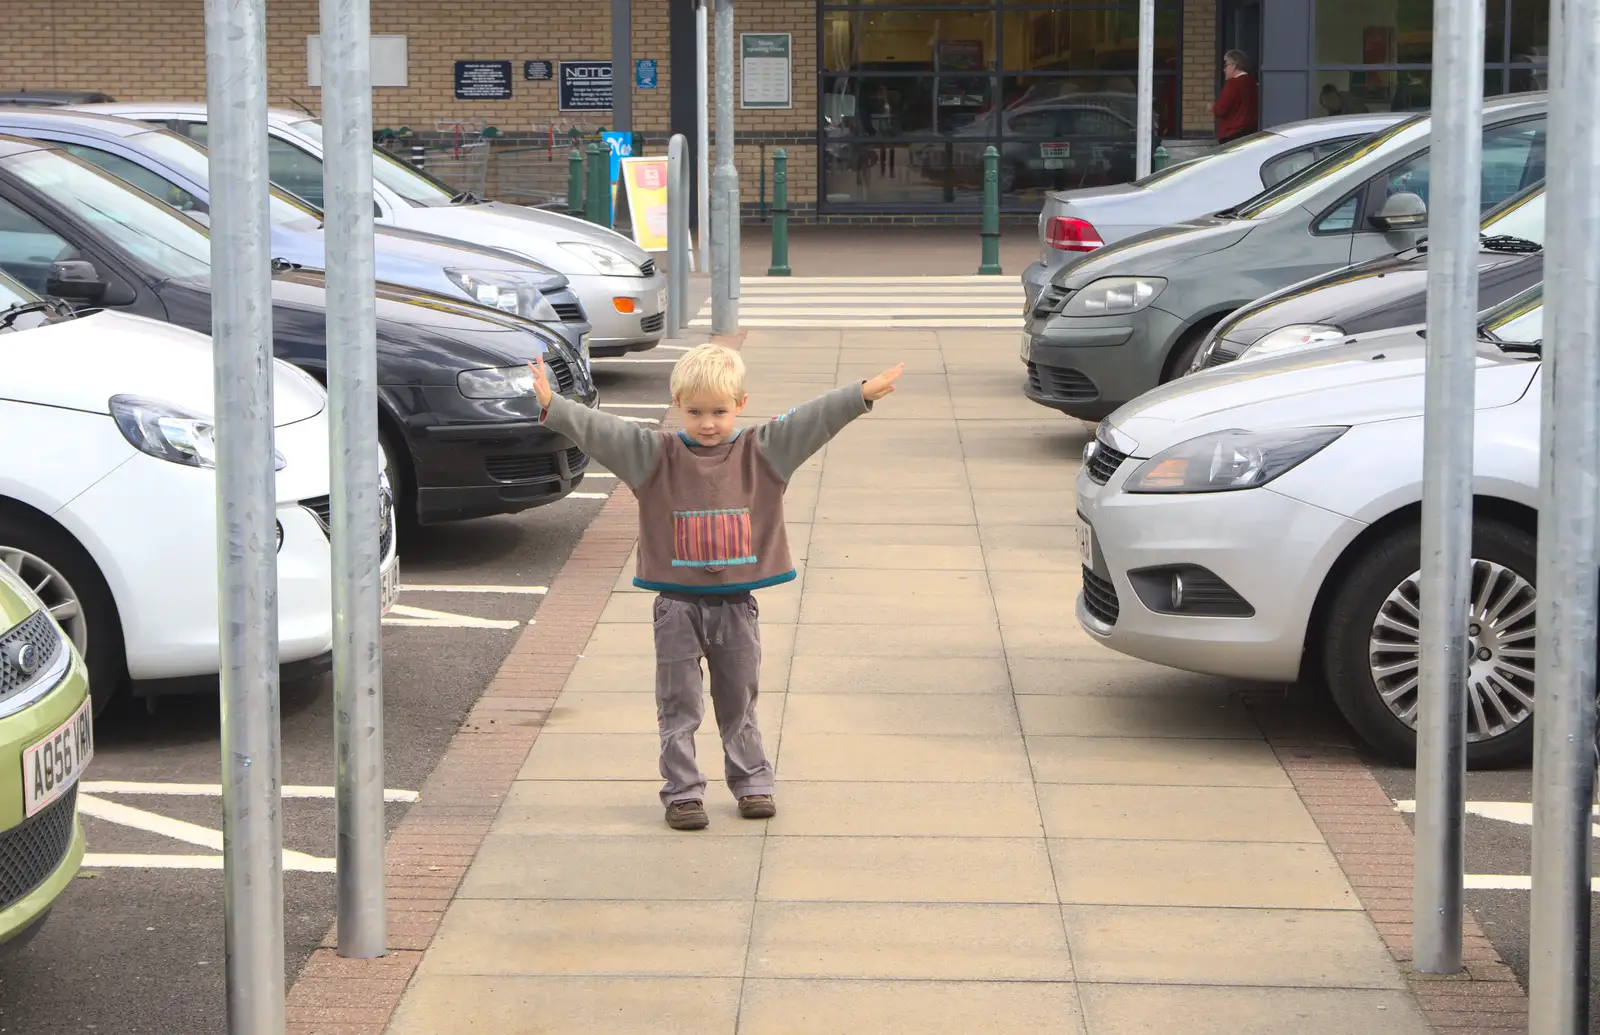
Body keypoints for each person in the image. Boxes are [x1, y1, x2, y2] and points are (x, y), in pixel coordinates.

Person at [528, 344, 904, 830]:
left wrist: (859, 395)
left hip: (735, 607)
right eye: (695, 411)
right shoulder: (654, 456)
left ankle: (752, 784)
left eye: (720, 411)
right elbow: (604, 432)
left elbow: (810, 420)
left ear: (741, 404)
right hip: (676, 608)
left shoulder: (762, 452)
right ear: (678, 406)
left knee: (739, 702)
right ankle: (683, 793)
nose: (708, 423)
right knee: (678, 705)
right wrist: (553, 405)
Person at [1212, 49, 1259, 144]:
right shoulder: (1252, 83)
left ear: (1234, 65)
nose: (1224, 69)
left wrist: (1212, 107)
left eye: (1226, 65)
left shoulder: (1232, 84)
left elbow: (1220, 110)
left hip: (1232, 134)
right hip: (1250, 132)